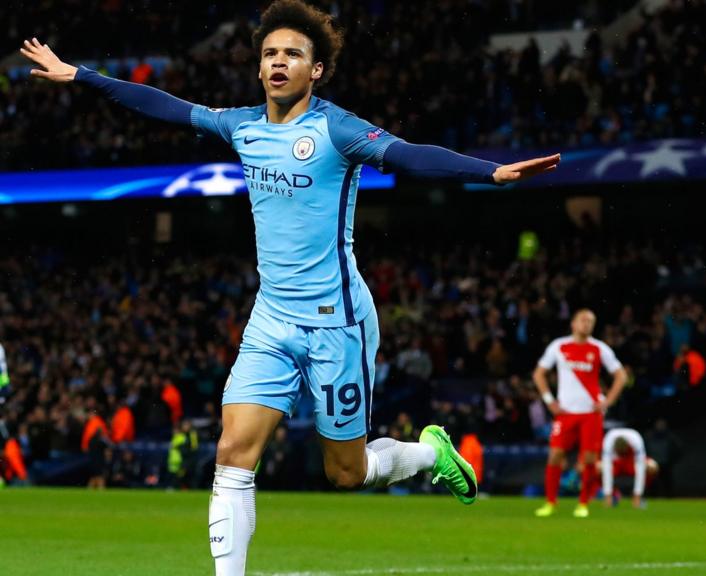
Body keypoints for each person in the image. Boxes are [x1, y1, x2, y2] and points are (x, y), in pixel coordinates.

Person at [20, 2, 559, 574]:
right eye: (270, 54)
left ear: (316, 70)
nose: (279, 63)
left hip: (338, 321)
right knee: (232, 454)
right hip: (272, 319)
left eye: (293, 55)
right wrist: (81, 75)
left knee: (346, 474)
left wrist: (488, 172)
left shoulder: (337, 128)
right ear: (259, 68)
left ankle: (431, 453)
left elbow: (406, 155)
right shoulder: (242, 125)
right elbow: (167, 107)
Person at [533, 309, 627, 518]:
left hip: (590, 413)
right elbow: (539, 373)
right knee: (555, 455)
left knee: (590, 460)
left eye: (591, 321)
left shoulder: (599, 348)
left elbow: (621, 376)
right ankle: (550, 502)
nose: (587, 324)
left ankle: (583, 503)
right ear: (573, 323)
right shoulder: (559, 346)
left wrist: (608, 401)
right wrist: (549, 401)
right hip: (565, 412)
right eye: (583, 320)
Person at [601, 427, 655, 508]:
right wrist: (607, 495)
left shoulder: (636, 440)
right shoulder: (608, 441)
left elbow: (640, 469)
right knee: (599, 467)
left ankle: (642, 496)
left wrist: (637, 495)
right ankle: (613, 494)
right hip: (617, 467)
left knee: (652, 467)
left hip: (631, 464)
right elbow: (607, 469)